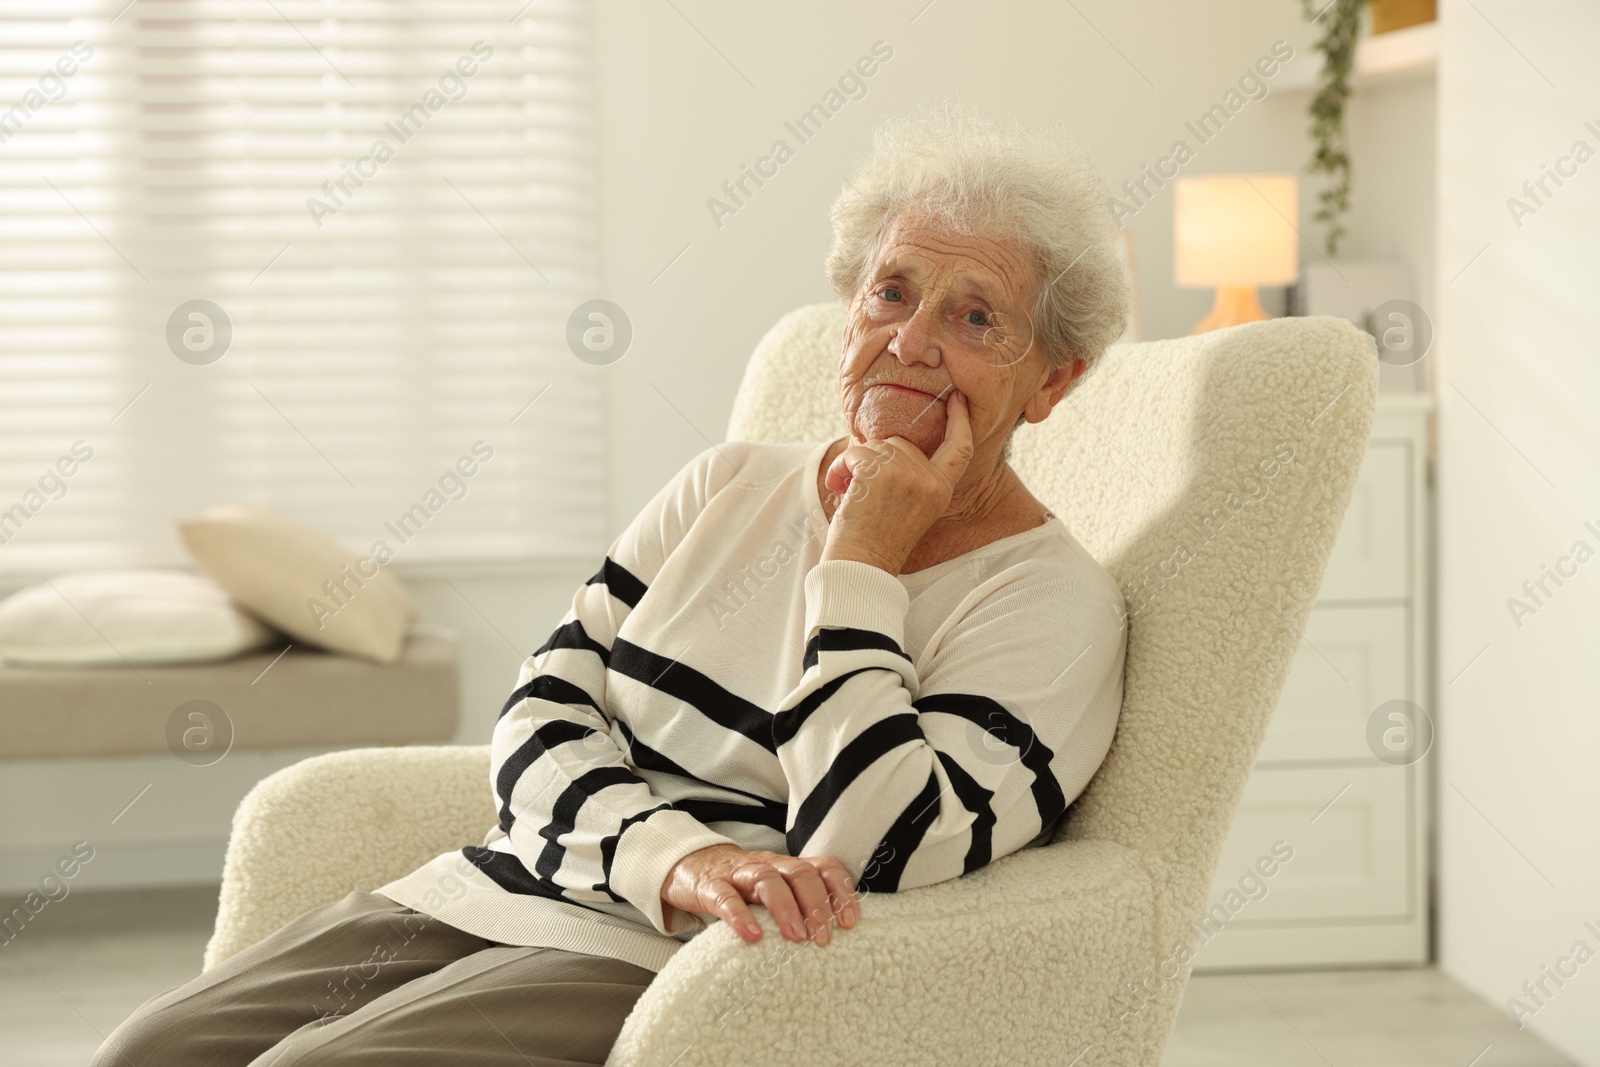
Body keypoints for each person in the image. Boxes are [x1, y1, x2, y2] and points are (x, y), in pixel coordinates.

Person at [93, 99, 1131, 1067]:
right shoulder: (726, 484)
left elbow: (879, 847)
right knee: (144, 1052)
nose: (909, 342)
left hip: (694, 966)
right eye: (891, 292)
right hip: (518, 882)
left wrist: (861, 562)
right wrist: (673, 857)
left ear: (1053, 379)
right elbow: (541, 712)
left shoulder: (1052, 605)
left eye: (975, 318)